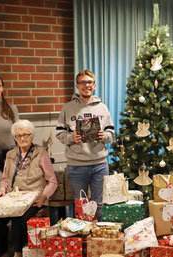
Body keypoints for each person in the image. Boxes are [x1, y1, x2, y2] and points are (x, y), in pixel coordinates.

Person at [0, 119, 57, 257]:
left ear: (32, 135)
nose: (22, 138)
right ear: (15, 137)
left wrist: (43, 197)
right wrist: (2, 190)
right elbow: (4, 179)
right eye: (19, 135)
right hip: (13, 198)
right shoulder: (10, 155)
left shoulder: (41, 153)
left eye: (26, 135)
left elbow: (52, 181)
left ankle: (17, 252)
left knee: (19, 219)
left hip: (34, 198)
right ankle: (2, 253)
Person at [56, 69, 115, 220]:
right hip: (76, 165)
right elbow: (60, 134)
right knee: (80, 205)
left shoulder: (102, 108)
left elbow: (111, 133)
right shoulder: (67, 108)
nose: (86, 85)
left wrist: (105, 136)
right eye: (82, 82)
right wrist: (72, 137)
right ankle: (81, 237)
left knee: (99, 204)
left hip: (100, 164)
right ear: (77, 86)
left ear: (94, 85)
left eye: (89, 82)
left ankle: (97, 238)